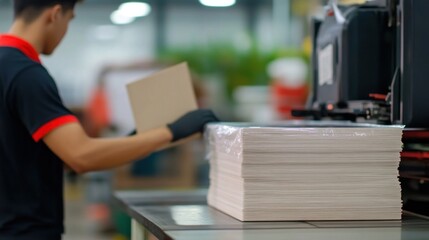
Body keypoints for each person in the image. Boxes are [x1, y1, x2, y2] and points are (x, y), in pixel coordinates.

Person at [0, 0, 219, 239]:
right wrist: (172, 130)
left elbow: (30, 153)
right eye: (70, 19)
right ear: (55, 14)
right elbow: (80, 155)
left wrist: (135, 141)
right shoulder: (27, 73)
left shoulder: (7, 65)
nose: (66, 30)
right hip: (22, 231)